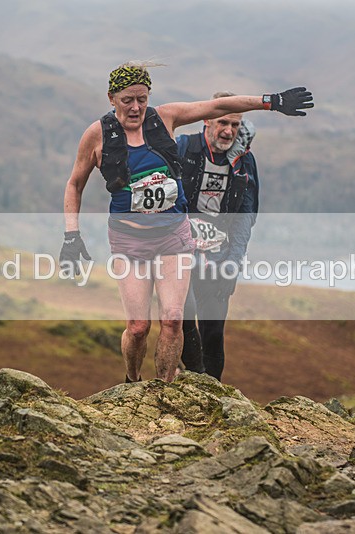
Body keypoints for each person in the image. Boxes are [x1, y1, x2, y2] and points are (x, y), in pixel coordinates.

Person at [59, 61, 312, 384]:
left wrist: (271, 101)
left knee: (174, 319)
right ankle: (132, 382)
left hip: (173, 237)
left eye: (142, 98)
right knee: (138, 328)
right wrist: (71, 236)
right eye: (127, 100)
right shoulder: (97, 135)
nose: (136, 107)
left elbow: (218, 105)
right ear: (111, 98)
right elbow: (74, 184)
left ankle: (164, 388)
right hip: (130, 241)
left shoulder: (165, 118)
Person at [178, 92, 260, 380]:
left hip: (219, 258)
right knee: (182, 320)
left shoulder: (244, 163)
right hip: (180, 257)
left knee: (213, 333)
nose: (228, 131)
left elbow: (245, 219)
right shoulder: (184, 148)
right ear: (206, 120)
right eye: (223, 122)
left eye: (235, 125)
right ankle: (188, 380)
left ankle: (213, 395)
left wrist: (233, 264)